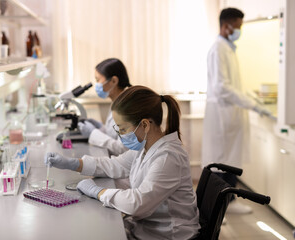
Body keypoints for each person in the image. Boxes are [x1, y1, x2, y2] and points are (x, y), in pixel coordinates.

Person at [45, 86, 200, 239]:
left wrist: (97, 192)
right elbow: (116, 165)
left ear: (145, 125)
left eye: (123, 129)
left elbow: (138, 203)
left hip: (167, 235)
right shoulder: (146, 146)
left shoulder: (168, 158)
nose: (121, 135)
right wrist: (72, 163)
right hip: (147, 227)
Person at [202, 8, 271, 214]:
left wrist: (252, 98)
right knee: (222, 161)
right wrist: (252, 104)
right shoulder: (218, 49)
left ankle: (229, 201)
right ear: (226, 26)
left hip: (229, 115)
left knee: (230, 160)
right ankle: (219, 204)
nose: (239, 31)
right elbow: (223, 88)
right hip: (222, 115)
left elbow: (235, 85)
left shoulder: (228, 48)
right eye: (238, 27)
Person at [78, 58, 130, 156]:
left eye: (98, 80)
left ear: (114, 81)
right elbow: (113, 134)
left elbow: (122, 149)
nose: (96, 85)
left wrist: (93, 133)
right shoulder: (116, 101)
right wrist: (101, 127)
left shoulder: (127, 108)